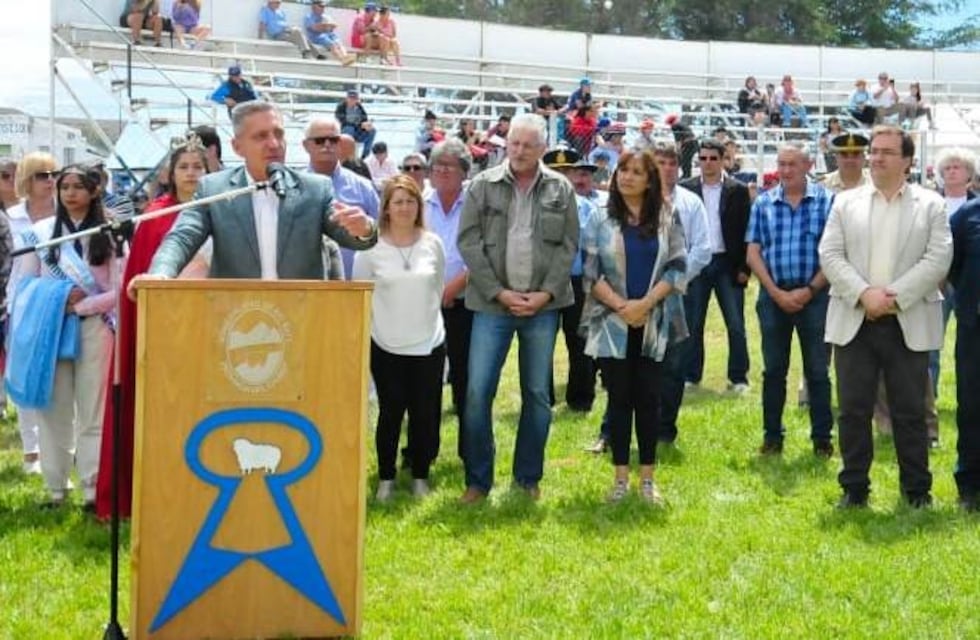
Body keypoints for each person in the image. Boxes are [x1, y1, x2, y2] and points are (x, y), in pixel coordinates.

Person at [819, 125, 952, 509]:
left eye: (887, 152)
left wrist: (892, 298)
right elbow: (830, 255)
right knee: (852, 410)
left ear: (908, 161)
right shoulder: (846, 202)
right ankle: (854, 489)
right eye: (874, 151)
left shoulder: (931, 205)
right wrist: (864, 294)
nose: (876, 158)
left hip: (907, 321)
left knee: (910, 412)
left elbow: (938, 259)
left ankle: (916, 492)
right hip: (855, 319)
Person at [456, 113, 579, 503]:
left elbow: (569, 247)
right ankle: (478, 481)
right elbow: (468, 242)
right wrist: (499, 293)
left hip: (543, 307)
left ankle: (527, 479)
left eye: (528, 145)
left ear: (542, 148)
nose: (520, 152)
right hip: (492, 305)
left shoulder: (562, 189)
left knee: (538, 394)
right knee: (476, 393)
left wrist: (545, 294)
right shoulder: (481, 185)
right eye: (514, 144)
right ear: (505, 145)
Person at [94, 135, 211, 520]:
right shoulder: (155, 216)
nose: (192, 173)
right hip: (164, 329)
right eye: (184, 167)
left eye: (199, 166)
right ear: (169, 174)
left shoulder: (220, 209)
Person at [143, 102, 377, 282]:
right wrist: (160, 274)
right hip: (238, 325)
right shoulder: (213, 189)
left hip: (303, 323)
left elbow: (350, 235)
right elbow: (182, 237)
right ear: (237, 147)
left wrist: (363, 229)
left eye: (279, 134)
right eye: (261, 136)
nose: (274, 144)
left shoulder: (315, 189)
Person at [581, 148, 686, 503]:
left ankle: (647, 480)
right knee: (620, 399)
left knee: (650, 399)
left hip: (653, 321)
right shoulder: (600, 218)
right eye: (622, 170)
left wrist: (644, 305)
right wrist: (622, 306)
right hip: (612, 322)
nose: (626, 177)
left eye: (636, 172)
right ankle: (621, 479)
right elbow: (591, 273)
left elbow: (677, 268)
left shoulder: (667, 216)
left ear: (650, 179)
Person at [11, 165, 118, 509]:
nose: (70, 193)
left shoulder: (110, 232)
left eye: (78, 186)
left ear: (95, 191)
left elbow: (118, 289)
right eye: (64, 187)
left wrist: (83, 305)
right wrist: (61, 297)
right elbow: (26, 285)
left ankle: (91, 487)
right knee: (54, 409)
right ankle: (56, 488)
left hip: (97, 325)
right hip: (52, 326)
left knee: (93, 410)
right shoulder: (41, 233)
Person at [353, 176, 445, 501]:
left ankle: (420, 475)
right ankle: (386, 479)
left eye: (411, 201)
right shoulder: (370, 247)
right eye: (398, 201)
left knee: (424, 413)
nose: (405, 207)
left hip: (428, 343)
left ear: (419, 205)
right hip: (386, 343)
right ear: (386, 208)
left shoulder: (432, 243)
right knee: (391, 413)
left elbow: (437, 287)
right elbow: (360, 293)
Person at [745, 142, 835, 457]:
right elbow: (753, 252)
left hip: (817, 297)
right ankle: (772, 437)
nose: (785, 170)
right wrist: (775, 292)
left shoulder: (828, 201)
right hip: (773, 298)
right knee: (773, 371)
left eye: (792, 164)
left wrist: (809, 290)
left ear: (808, 165)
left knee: (818, 372)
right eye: (781, 164)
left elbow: (835, 254)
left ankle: (822, 439)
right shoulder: (763, 203)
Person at [679, 139, 752, 393]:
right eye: (703, 158)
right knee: (693, 322)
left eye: (713, 158)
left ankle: (739, 377)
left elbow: (747, 231)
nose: (707, 163)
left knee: (735, 323)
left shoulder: (738, 190)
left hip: (727, 263)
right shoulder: (685, 189)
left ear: (723, 160)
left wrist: (745, 268)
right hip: (697, 263)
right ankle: (691, 375)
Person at [5, 152, 58, 475]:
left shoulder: (66, 216)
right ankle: (31, 451)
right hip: (19, 304)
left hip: (57, 305)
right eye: (42, 175)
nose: (50, 180)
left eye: (54, 174)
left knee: (60, 377)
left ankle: (64, 448)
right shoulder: (11, 217)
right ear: (27, 179)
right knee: (24, 377)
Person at [424, 139, 471, 461]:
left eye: (449, 166)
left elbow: (484, 253)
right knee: (425, 382)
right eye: (436, 166)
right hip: (422, 304)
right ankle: (421, 452)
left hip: (466, 302)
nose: (441, 172)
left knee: (467, 380)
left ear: (464, 173)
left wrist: (452, 289)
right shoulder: (420, 203)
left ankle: (470, 451)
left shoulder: (476, 203)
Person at [541, 148, 598, 413]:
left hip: (576, 283)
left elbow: (590, 245)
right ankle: (543, 397)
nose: (561, 176)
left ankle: (581, 398)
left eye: (567, 171)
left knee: (580, 342)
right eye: (556, 171)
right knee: (541, 342)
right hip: (542, 282)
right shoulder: (533, 204)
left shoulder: (586, 207)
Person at [302, 116, 380, 277]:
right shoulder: (292, 188)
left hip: (354, 287)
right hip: (305, 288)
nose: (327, 145)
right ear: (305, 146)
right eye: (320, 140)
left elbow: (382, 233)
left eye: (333, 140)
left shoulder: (363, 187)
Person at [949, 197, 980, 511]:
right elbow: (953, 267)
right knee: (971, 406)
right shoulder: (967, 216)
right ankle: (969, 485)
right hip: (975, 328)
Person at [305, 0, 356, 65]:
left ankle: (345, 56)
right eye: (321, 6)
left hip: (328, 34)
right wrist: (325, 26)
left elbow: (334, 26)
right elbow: (314, 28)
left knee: (338, 42)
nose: (323, 8)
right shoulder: (309, 17)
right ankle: (342, 59)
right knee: (331, 44)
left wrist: (324, 26)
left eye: (323, 7)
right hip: (317, 36)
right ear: (314, 7)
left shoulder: (326, 16)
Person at [334, 90, 376, 160]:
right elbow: (343, 121)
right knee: (349, 128)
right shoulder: (341, 107)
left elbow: (364, 118)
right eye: (351, 98)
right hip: (346, 131)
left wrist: (367, 124)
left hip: (358, 132)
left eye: (354, 99)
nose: (352, 100)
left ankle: (365, 156)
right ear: (347, 98)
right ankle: (349, 155)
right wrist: (360, 125)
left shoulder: (359, 107)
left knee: (372, 130)